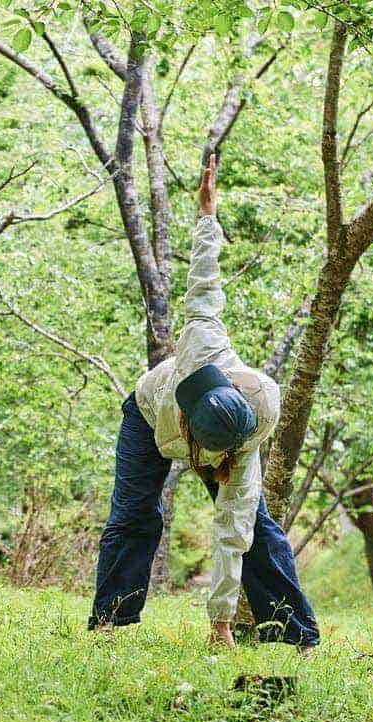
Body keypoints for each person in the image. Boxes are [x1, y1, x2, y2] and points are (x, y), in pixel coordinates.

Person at [88, 155, 319, 650]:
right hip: (146, 414)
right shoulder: (204, 350)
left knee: (253, 526)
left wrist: (221, 625)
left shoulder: (247, 442)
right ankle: (109, 622)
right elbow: (204, 284)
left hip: (222, 450)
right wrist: (208, 216)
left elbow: (229, 532)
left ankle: (294, 634)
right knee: (135, 515)